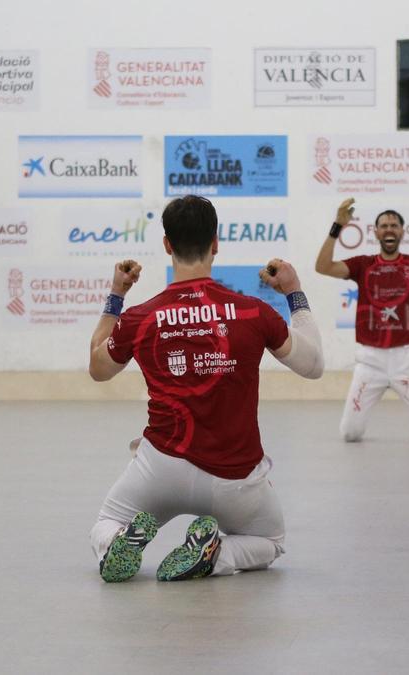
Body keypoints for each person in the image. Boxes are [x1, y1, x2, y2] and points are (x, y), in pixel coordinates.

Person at [87, 195, 324, 583]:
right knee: (269, 539)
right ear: (216, 242)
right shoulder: (253, 312)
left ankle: (117, 540)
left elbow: (98, 367)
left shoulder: (140, 317)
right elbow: (313, 365)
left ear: (167, 245)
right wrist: (294, 292)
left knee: (108, 521)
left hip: (159, 469)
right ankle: (215, 553)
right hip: (234, 477)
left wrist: (117, 295)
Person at [315, 198, 409, 443]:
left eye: (394, 225)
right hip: (370, 361)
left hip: (408, 360)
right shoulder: (363, 264)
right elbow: (323, 267)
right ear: (376, 232)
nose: (389, 229)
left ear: (402, 232)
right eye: (384, 225)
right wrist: (337, 225)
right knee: (350, 433)